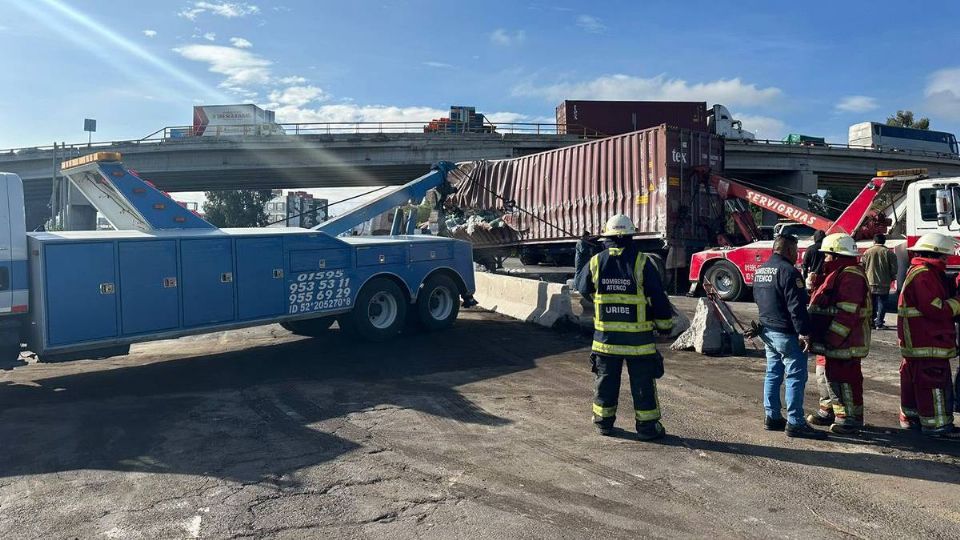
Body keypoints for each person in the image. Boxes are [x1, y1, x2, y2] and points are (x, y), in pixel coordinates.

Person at [574, 215, 674, 441]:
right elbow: (658, 297)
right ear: (631, 236)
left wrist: (581, 251)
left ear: (606, 236)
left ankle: (603, 423)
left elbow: (581, 285)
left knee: (606, 382)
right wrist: (665, 326)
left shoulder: (597, 261)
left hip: (606, 341)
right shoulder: (642, 262)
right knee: (643, 385)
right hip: (639, 342)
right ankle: (647, 428)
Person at [753, 234, 827, 439]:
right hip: (787, 333)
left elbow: (759, 300)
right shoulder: (789, 272)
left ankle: (772, 416)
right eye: (795, 251)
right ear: (787, 250)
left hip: (768, 331)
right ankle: (795, 422)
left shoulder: (761, 271)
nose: (797, 256)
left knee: (773, 374)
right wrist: (804, 333)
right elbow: (796, 307)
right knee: (795, 376)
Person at [805, 233, 871, 434]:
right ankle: (831, 412)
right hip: (836, 340)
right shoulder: (839, 273)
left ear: (836, 255)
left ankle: (849, 420)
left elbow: (846, 313)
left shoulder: (851, 275)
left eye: (826, 256)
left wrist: (832, 338)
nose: (824, 259)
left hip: (846, 341)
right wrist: (814, 286)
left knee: (846, 381)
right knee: (829, 377)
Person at [897, 233, 960, 438]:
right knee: (934, 383)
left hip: (919, 340)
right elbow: (935, 308)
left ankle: (913, 418)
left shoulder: (919, 271)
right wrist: (957, 302)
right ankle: (936, 425)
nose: (946, 261)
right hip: (928, 340)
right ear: (935, 254)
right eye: (944, 257)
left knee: (915, 381)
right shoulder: (924, 274)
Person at [862, 234, 898, 330]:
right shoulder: (889, 253)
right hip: (884, 282)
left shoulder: (867, 252)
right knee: (882, 303)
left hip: (870, 282)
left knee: (872, 303)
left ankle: (871, 322)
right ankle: (879, 323)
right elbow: (894, 269)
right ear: (884, 241)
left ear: (874, 241)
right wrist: (891, 277)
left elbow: (862, 266)